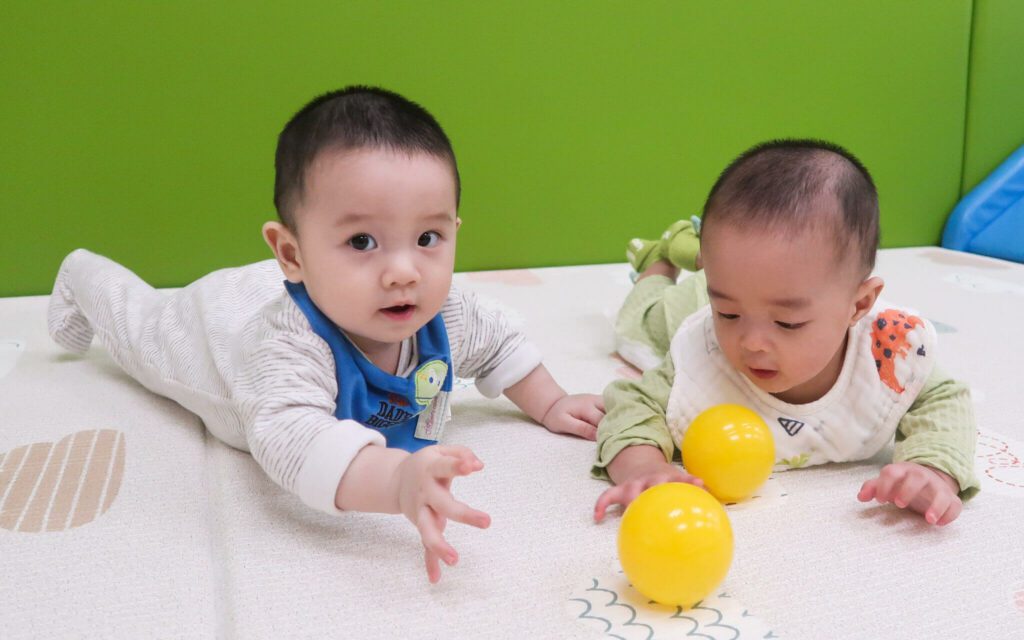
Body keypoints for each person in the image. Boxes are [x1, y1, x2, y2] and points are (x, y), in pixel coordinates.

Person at [47, 86, 605, 582]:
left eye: (428, 238)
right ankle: (81, 273)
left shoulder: (447, 310)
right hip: (215, 334)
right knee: (138, 324)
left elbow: (501, 343)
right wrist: (397, 481)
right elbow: (294, 442)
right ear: (290, 253)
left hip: (318, 286)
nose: (404, 271)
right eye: (363, 241)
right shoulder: (283, 350)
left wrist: (551, 401)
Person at [592, 139, 979, 527]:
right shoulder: (705, 343)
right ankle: (660, 260)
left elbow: (942, 399)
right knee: (638, 325)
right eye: (729, 314)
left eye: (787, 323)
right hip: (691, 300)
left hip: (735, 283)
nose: (751, 343)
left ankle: (697, 257)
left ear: (859, 305)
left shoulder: (886, 353)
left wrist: (932, 469)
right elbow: (632, 402)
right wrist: (642, 466)